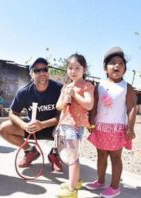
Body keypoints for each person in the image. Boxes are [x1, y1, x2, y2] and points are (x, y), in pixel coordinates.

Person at [85, 47, 137, 198]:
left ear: (125, 70)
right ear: (105, 68)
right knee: (101, 155)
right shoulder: (99, 86)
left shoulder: (127, 88)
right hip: (100, 127)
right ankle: (100, 181)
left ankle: (115, 187)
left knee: (115, 156)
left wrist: (130, 127)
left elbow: (132, 108)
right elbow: (94, 106)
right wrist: (91, 122)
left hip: (117, 128)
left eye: (121, 64)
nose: (117, 66)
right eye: (113, 63)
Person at [0, 57, 64, 172]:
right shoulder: (24, 92)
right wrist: (24, 125)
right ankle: (30, 151)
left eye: (44, 69)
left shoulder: (59, 89)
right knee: (4, 128)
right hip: (32, 128)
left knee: (71, 128)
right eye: (37, 70)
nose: (42, 73)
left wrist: (43, 124)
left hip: (53, 128)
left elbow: (62, 117)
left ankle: (54, 154)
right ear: (31, 74)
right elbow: (12, 114)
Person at [55, 53, 94, 198]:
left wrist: (75, 95)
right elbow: (58, 106)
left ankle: (71, 190)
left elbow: (89, 105)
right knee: (69, 155)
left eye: (77, 67)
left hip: (75, 126)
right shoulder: (66, 87)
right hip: (64, 125)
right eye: (70, 68)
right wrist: (65, 98)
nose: (73, 71)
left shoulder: (87, 85)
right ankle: (75, 182)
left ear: (84, 69)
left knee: (72, 156)